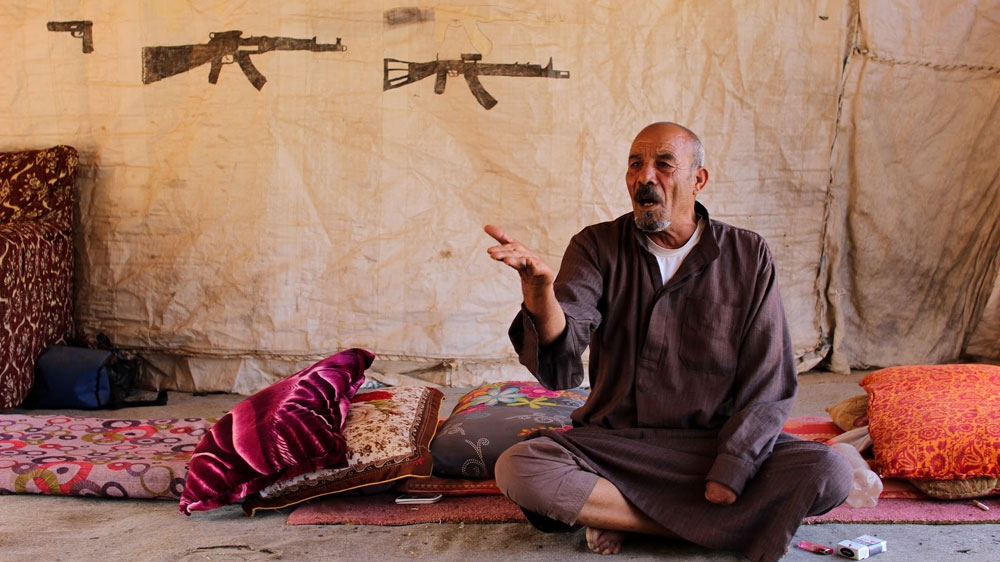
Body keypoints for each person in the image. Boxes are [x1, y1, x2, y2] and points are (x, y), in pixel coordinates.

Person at [484, 122, 852, 562]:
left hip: (710, 446)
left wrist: (733, 468)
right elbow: (562, 359)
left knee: (830, 472)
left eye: (663, 164)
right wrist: (539, 293)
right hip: (617, 446)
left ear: (698, 180)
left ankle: (618, 514)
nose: (645, 177)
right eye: (635, 165)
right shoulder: (596, 246)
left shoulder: (747, 254)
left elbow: (768, 381)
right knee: (520, 468)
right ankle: (712, 529)